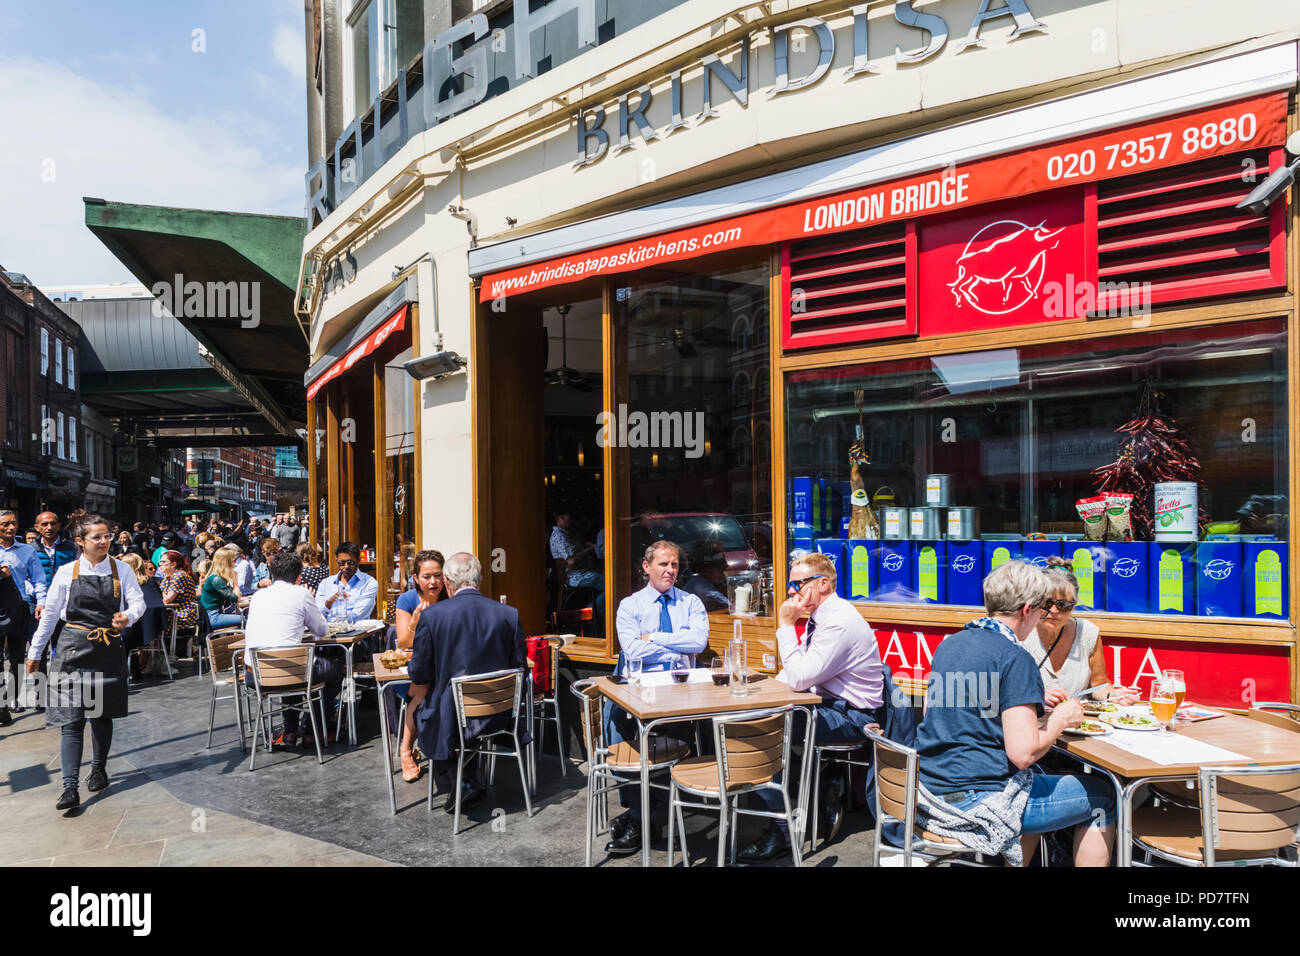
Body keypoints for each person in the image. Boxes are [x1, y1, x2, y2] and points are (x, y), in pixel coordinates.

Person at [913, 560, 1115, 867]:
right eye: (1041, 609)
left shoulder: (950, 644)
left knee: (1036, 777)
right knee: (1103, 796)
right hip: (976, 801)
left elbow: (936, 714)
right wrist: (1060, 719)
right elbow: (1023, 754)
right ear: (1025, 610)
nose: (1044, 616)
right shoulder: (1015, 657)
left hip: (929, 793)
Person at [739, 550, 886, 862]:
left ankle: (780, 827)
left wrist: (784, 625)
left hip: (853, 717)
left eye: (798, 584)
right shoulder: (822, 617)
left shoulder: (838, 622)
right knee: (756, 714)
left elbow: (800, 677)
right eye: (791, 585)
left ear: (823, 584)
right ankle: (814, 788)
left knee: (771, 727)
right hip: (828, 704)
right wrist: (761, 689)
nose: (792, 592)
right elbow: (798, 672)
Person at [27, 514, 145, 810]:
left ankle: (99, 768)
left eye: (107, 536)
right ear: (80, 541)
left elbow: (138, 602)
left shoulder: (122, 570)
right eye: (98, 537)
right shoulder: (67, 572)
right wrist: (35, 653)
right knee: (71, 719)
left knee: (100, 715)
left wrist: (127, 617)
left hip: (106, 647)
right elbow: (51, 614)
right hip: (72, 649)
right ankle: (69, 787)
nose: (105, 541)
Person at [603, 540, 708, 855]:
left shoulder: (690, 602)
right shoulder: (631, 605)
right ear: (647, 567)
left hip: (680, 688)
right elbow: (633, 650)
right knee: (616, 720)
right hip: (641, 687)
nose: (670, 571)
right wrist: (678, 643)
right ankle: (638, 813)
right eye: (663, 564)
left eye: (674, 565)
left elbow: (699, 642)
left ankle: (644, 813)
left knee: (674, 733)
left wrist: (658, 638)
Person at [408, 552, 527, 812]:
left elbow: (418, 674)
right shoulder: (508, 615)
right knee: (450, 708)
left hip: (451, 720)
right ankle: (468, 779)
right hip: (499, 715)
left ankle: (461, 782)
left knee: (427, 710)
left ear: (448, 582)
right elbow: (520, 669)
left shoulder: (433, 616)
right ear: (480, 579)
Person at [243, 550, 340, 748]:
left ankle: (290, 731)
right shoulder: (301, 593)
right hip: (291, 672)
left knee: (294, 666)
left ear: (272, 573)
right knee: (334, 669)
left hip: (256, 675)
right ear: (298, 576)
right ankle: (315, 729)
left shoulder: (258, 596)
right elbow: (321, 629)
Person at [1022, 556, 1140, 707]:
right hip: (1030, 722)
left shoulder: (1088, 633)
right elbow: (996, 690)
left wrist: (1113, 695)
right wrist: (1035, 694)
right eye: (1047, 603)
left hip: (1078, 723)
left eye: (1063, 605)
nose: (1054, 611)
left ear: (1074, 605)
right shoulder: (1019, 634)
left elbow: (1099, 684)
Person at [391, 550, 446, 782]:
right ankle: (406, 751)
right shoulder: (407, 600)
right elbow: (403, 642)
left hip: (443, 666)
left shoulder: (450, 597)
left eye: (438, 575)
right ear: (416, 578)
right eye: (426, 576)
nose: (433, 582)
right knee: (422, 689)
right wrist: (414, 623)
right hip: (416, 670)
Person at [0, 510, 48, 724]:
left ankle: (11, 698)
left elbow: (39, 579)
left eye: (14, 523)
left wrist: (41, 603)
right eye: (5, 524)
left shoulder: (27, 551)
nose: (11, 528)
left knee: (17, 657)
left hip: (18, 608)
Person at [549, 511, 604, 614]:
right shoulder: (559, 536)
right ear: (561, 516)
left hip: (585, 573)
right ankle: (586, 612)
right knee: (612, 585)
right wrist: (589, 550)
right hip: (577, 577)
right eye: (570, 515)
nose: (573, 519)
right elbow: (571, 562)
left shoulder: (567, 534)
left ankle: (596, 618)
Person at [316, 542, 378, 623]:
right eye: (342, 563)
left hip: (357, 632)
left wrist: (336, 619)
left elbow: (357, 615)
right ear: (336, 561)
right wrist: (328, 603)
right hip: (327, 631)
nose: (346, 566)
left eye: (350, 563)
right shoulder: (326, 583)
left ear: (358, 561)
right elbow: (317, 614)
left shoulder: (368, 583)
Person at [200, 548, 244, 630]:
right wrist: (235, 580)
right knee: (246, 619)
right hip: (213, 617)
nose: (235, 563)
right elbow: (236, 598)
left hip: (214, 615)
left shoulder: (216, 577)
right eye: (234, 560)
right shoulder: (216, 579)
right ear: (226, 562)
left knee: (244, 618)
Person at [158, 550, 200, 631]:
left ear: (174, 564)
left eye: (163, 561)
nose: (160, 564)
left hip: (182, 616)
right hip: (172, 615)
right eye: (160, 562)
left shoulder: (179, 575)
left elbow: (167, 599)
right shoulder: (167, 578)